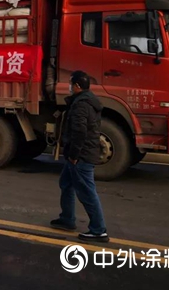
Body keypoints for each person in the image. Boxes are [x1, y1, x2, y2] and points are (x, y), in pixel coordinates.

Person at [50, 70, 109, 242]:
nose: (69, 86)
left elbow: (79, 132)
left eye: (70, 83)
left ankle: (99, 230)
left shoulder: (81, 105)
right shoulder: (87, 101)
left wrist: (74, 155)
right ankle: (67, 219)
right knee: (66, 184)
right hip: (79, 153)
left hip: (81, 155)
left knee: (87, 192)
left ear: (77, 86)